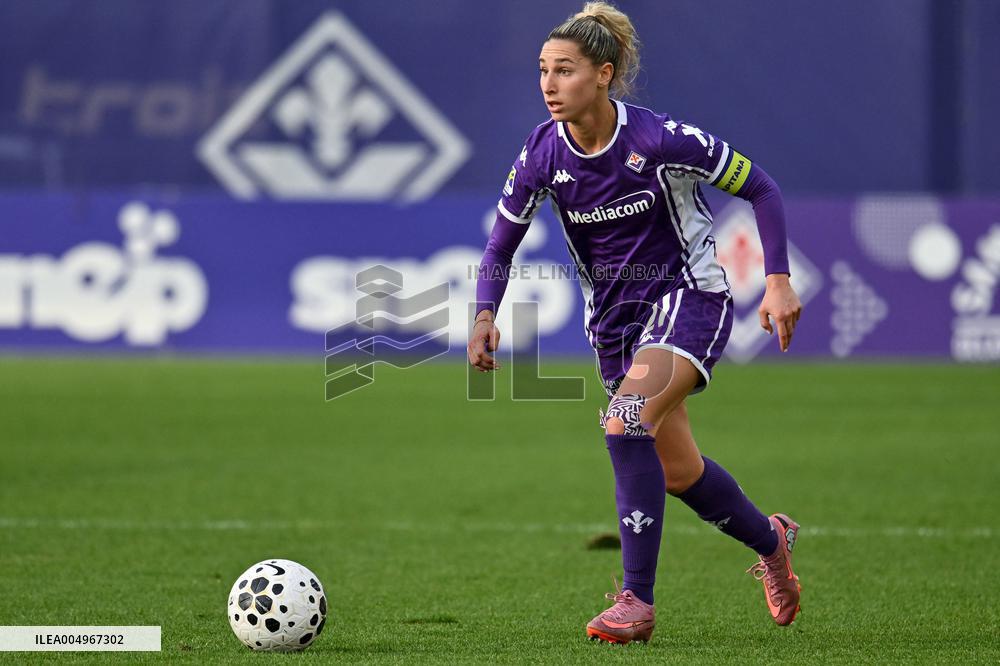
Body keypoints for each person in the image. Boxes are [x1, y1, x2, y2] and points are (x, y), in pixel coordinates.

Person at [468, 1, 804, 644]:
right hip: (616, 326)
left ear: (603, 72)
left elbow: (761, 187)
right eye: (542, 70)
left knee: (626, 422)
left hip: (689, 297)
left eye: (563, 70)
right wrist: (485, 313)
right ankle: (772, 542)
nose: (548, 83)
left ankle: (635, 603)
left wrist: (779, 281)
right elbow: (498, 247)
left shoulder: (658, 140)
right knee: (678, 473)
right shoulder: (542, 153)